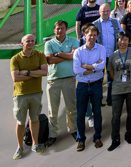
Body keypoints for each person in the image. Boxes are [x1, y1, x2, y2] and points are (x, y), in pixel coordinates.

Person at [44, 20, 80, 148]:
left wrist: (58, 54)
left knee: (71, 108)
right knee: (52, 110)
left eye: (62, 28)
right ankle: (53, 135)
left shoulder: (74, 41)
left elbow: (74, 57)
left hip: (69, 78)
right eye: (58, 28)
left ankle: (73, 130)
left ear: (66, 29)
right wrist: (67, 55)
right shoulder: (49, 43)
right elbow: (49, 60)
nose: (60, 31)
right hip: (53, 80)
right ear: (54, 30)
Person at [11, 33, 47, 159]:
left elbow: (44, 72)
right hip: (21, 94)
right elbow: (15, 78)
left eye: (32, 41)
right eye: (28, 41)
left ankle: (35, 144)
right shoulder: (15, 59)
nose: (31, 43)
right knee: (20, 121)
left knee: (35, 119)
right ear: (22, 43)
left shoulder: (40, 55)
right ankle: (19, 147)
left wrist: (26, 73)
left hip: (36, 92)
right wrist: (35, 73)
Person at [73, 24, 107, 151]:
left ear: (97, 36)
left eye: (94, 35)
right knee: (80, 114)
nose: (92, 37)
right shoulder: (78, 51)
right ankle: (81, 140)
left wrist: (85, 66)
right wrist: (93, 68)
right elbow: (76, 69)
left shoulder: (101, 49)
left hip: (96, 86)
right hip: (81, 86)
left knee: (97, 112)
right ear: (84, 35)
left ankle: (97, 137)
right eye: (89, 35)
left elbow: (102, 66)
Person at [107, 32, 131, 151]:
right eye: (121, 39)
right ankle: (115, 139)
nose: (123, 42)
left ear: (129, 41)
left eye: (125, 39)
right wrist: (118, 79)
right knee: (116, 116)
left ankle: (129, 134)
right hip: (117, 89)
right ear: (117, 41)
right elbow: (111, 72)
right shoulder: (113, 56)